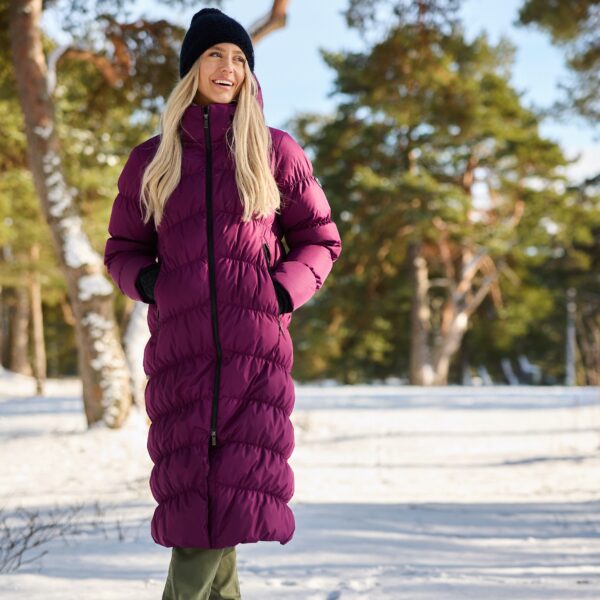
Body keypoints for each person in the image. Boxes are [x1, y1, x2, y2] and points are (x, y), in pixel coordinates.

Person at [103, 7, 342, 600]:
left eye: (238, 58)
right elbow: (122, 250)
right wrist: (154, 285)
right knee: (203, 512)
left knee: (216, 512)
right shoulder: (152, 160)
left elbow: (320, 239)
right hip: (181, 357)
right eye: (215, 55)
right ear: (192, 69)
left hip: (253, 357)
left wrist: (279, 291)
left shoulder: (275, 151)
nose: (228, 67)